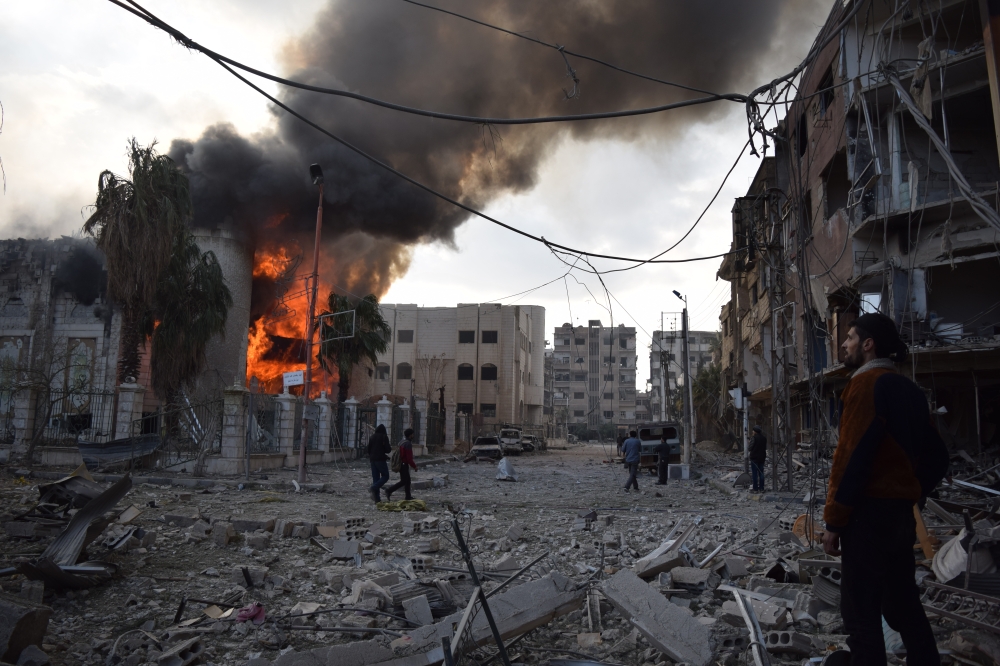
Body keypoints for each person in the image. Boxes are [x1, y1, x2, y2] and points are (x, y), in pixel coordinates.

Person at [821, 313, 948, 666]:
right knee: (902, 602)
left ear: (868, 344)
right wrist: (910, 492)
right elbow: (938, 457)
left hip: (867, 518)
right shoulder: (910, 390)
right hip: (900, 517)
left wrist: (834, 522)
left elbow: (850, 458)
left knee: (860, 610)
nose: (844, 344)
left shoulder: (864, 385)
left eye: (849, 337)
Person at [385, 428, 418, 501]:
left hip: (400, 463)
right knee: (404, 481)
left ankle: (408, 496)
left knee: (408, 480)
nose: (413, 435)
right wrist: (414, 466)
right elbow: (409, 458)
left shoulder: (402, 442)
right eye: (412, 434)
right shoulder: (408, 444)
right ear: (410, 435)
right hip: (403, 464)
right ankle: (389, 490)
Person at [367, 424, 392, 504]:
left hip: (372, 460)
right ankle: (373, 488)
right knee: (385, 476)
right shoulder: (384, 437)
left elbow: (368, 449)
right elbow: (388, 449)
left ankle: (377, 499)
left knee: (376, 478)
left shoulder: (372, 437)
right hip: (380, 460)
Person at [749, 425, 767, 491]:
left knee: (755, 474)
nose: (752, 432)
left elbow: (750, 448)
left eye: (753, 431)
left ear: (755, 432)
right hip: (762, 458)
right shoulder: (764, 438)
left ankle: (755, 489)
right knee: (761, 473)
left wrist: (749, 443)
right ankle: (762, 488)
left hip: (754, 458)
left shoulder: (754, 438)